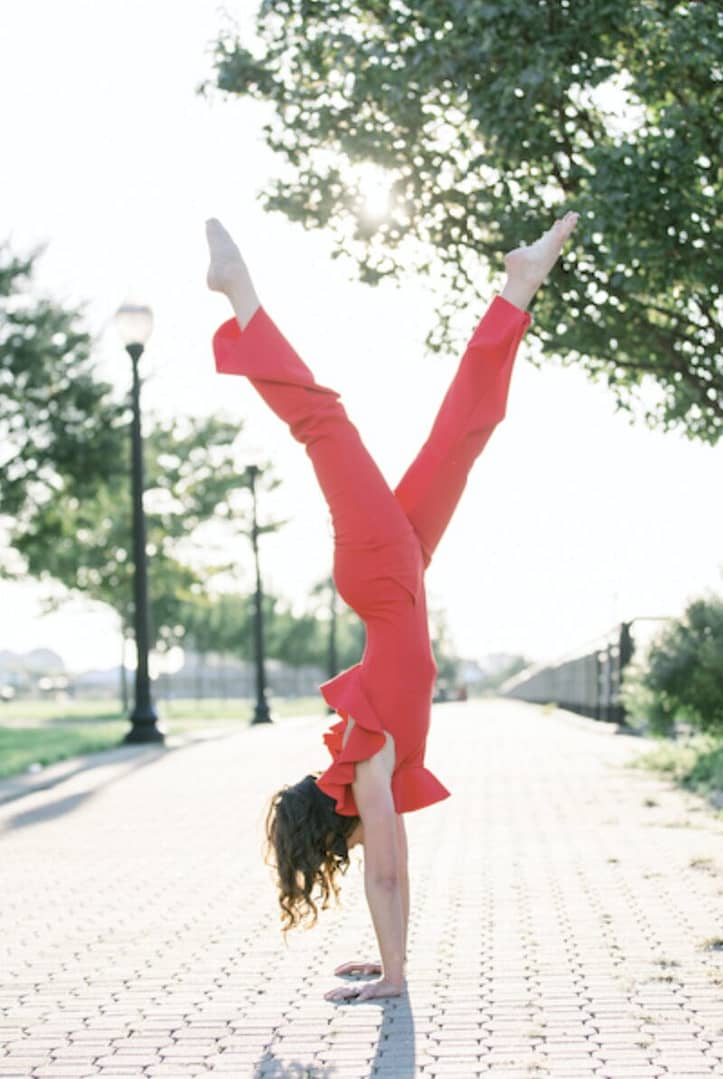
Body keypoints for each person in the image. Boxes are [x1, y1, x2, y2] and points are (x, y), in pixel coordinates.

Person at [205, 210, 579, 1002]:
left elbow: (385, 872)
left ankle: (240, 294)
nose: (373, 831)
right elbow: (388, 871)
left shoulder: (366, 759)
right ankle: (518, 285)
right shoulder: (373, 764)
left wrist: (394, 975)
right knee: (464, 434)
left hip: (379, 576)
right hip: (401, 571)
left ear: (335, 814)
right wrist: (390, 968)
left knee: (323, 421)